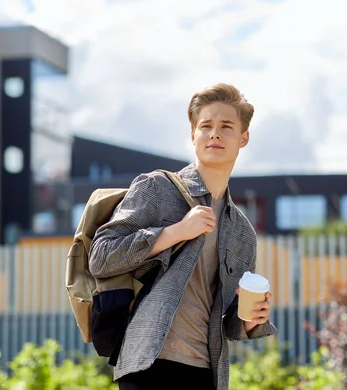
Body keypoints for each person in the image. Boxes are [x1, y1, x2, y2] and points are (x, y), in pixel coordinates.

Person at [89, 82, 278, 390]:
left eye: (226, 126)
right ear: (193, 134)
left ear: (243, 137)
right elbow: (101, 257)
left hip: (207, 372)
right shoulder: (157, 188)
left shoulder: (242, 232)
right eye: (206, 125)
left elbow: (230, 322)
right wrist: (175, 232)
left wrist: (249, 317)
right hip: (148, 364)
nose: (215, 133)